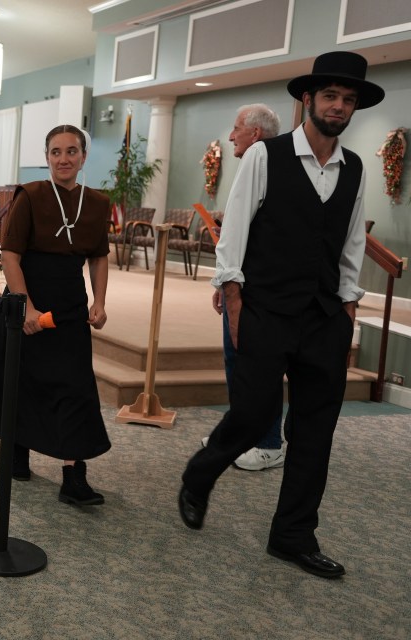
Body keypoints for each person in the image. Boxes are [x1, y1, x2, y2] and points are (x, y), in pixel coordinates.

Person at [178, 51, 383, 579]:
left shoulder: (355, 167)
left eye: (348, 99)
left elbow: (352, 240)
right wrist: (234, 296)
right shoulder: (264, 157)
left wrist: (348, 301)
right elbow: (237, 231)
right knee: (251, 414)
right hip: (265, 309)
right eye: (330, 96)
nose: (338, 106)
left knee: (316, 431)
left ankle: (292, 534)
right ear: (308, 100)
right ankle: (200, 474)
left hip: (325, 317)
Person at [0, 124, 112, 507]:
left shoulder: (98, 202)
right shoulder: (30, 195)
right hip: (26, 297)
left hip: (69, 303)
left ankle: (74, 475)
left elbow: (99, 256)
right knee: (22, 381)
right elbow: (10, 256)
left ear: (83, 157)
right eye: (56, 152)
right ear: (47, 157)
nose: (63, 158)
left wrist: (99, 301)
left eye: (71, 151)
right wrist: (27, 307)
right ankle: (18, 452)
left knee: (75, 386)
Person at [203, 103, 285, 471]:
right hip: (240, 280)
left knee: (258, 367)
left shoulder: (275, 165)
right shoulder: (255, 164)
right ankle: (239, 434)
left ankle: (268, 443)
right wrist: (224, 280)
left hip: (261, 288)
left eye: (237, 128)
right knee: (236, 361)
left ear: (255, 134)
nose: (231, 135)